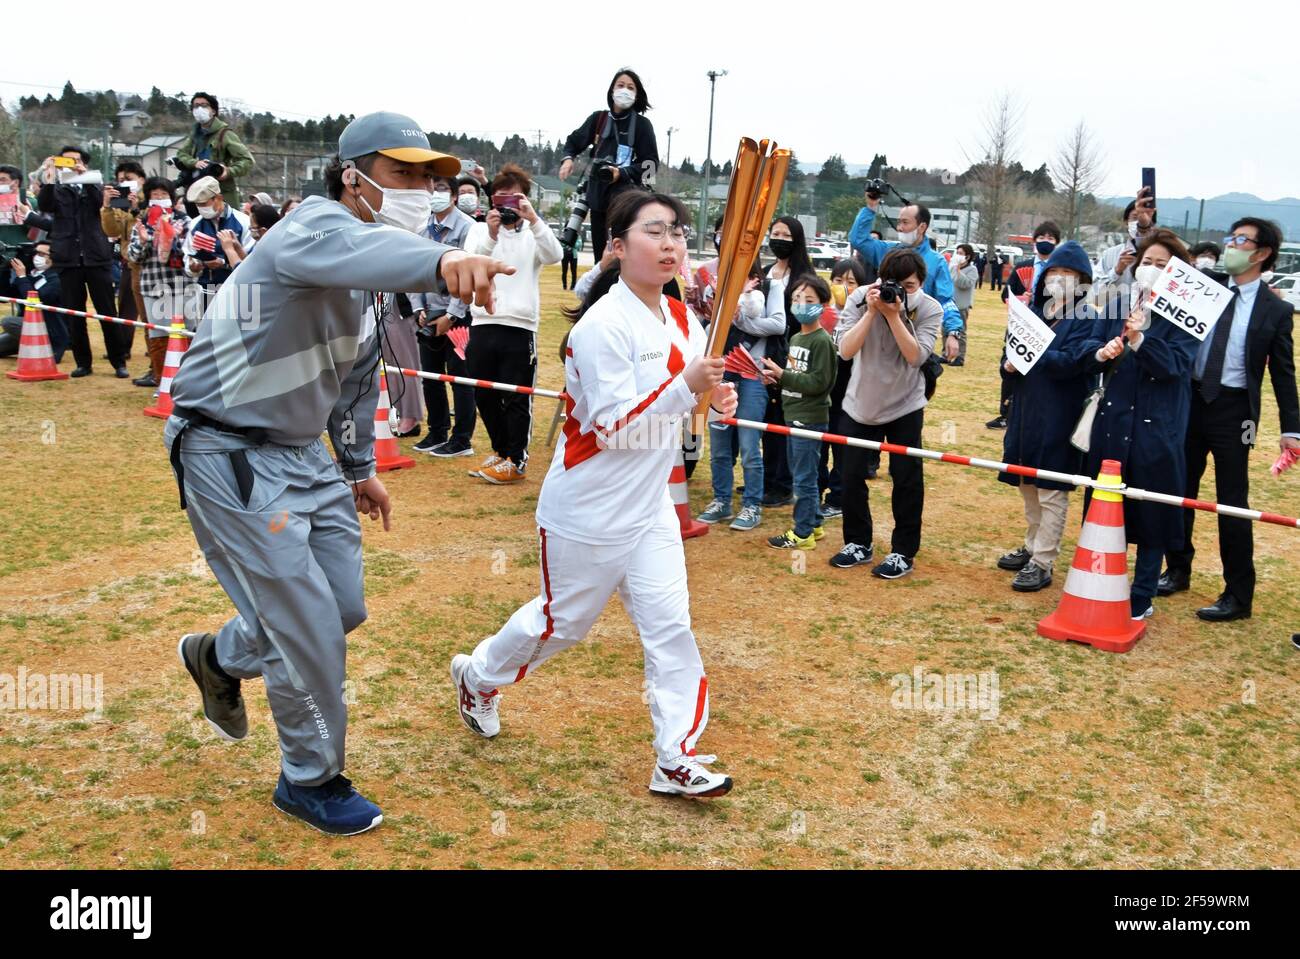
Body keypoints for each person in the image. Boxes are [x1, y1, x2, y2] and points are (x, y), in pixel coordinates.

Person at [168, 112, 512, 836]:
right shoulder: (310, 228)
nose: (422, 190)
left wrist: (359, 467)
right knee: (308, 623)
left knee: (343, 606)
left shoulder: (362, 282)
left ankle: (219, 657)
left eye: (429, 177)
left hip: (305, 457)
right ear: (352, 175)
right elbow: (360, 247)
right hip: (230, 450)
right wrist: (442, 264)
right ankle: (310, 777)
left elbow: (355, 382)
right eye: (404, 173)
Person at [450, 190, 740, 798]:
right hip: (589, 506)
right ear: (616, 246)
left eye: (678, 233)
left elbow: (687, 399)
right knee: (562, 625)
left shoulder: (682, 316)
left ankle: (675, 756)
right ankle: (479, 675)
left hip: (651, 505)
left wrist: (714, 396)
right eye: (655, 232)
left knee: (670, 627)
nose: (671, 244)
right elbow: (615, 429)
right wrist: (686, 388)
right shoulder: (602, 326)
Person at [1160, 218, 1299, 621]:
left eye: (1241, 240)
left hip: (1235, 410)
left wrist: (1292, 428)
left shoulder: (1276, 310)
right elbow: (1165, 267)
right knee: (1178, 488)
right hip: (1191, 398)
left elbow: (1284, 373)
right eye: (1230, 238)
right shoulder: (1206, 285)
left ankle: (1238, 594)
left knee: (1232, 501)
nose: (1231, 245)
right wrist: (1145, 226)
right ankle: (1177, 569)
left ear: (1261, 253)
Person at [1082, 229, 1200, 620]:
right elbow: (1091, 346)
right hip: (1115, 415)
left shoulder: (1187, 314)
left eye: (1162, 265)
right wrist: (1104, 350)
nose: (1151, 270)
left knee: (1153, 507)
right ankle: (1100, 576)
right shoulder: (1119, 301)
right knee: (1108, 501)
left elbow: (1176, 365)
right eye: (1146, 262)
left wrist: (1141, 340)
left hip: (1159, 418)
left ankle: (1143, 591)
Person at [830, 248, 943, 578]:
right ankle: (857, 542)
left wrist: (894, 315)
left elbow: (916, 356)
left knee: (907, 479)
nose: (899, 291)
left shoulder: (929, 308)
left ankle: (903, 551)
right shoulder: (863, 297)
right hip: (860, 401)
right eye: (893, 283)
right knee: (850, 475)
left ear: (921, 283)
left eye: (909, 286)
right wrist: (871, 312)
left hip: (906, 403)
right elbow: (845, 350)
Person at [995, 241, 1095, 592]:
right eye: (1054, 272)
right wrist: (1008, 366)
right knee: (1027, 483)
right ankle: (1031, 544)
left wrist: (1038, 356)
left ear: (1083, 279)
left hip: (1060, 413)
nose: (1059, 279)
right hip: (1025, 412)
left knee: (1051, 488)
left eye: (1068, 273)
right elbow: (1008, 355)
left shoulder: (1089, 318)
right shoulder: (1031, 312)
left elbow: (1077, 361)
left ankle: (1043, 560)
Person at [462, 164, 563, 484]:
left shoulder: (535, 231)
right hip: (482, 321)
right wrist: (491, 235)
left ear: (525, 200)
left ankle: (516, 459)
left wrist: (533, 219)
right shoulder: (479, 229)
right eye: (500, 199)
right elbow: (470, 263)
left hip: (520, 327)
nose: (506, 206)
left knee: (517, 396)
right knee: (484, 394)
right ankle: (500, 449)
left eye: (513, 199)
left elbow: (555, 255)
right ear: (491, 201)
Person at [695, 216, 785, 531]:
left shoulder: (769, 283)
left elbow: (777, 323)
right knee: (719, 445)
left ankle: (752, 505)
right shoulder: (713, 282)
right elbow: (707, 327)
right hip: (720, 373)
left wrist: (740, 320)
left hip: (752, 375)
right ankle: (721, 500)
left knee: (749, 444)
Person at [27, 146, 130, 378]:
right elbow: (44, 205)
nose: (71, 165)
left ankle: (119, 361)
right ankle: (83, 362)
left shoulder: (97, 185)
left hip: (97, 256)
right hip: (67, 257)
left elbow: (100, 207)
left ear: (84, 163)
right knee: (75, 312)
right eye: (66, 161)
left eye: (76, 161)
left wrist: (87, 179)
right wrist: (50, 179)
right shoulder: (58, 189)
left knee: (107, 311)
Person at [762, 274, 837, 551]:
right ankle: (814, 523)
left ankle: (802, 532)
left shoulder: (822, 341)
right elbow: (797, 375)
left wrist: (785, 374)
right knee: (802, 474)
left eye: (809, 300)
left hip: (810, 419)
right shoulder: (795, 337)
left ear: (823, 304)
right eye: (796, 299)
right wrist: (778, 378)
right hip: (792, 414)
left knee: (804, 478)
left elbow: (820, 383)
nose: (800, 304)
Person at [557, 68, 660, 260]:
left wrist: (622, 173)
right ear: (611, 90)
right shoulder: (599, 119)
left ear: (637, 96)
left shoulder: (642, 125)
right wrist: (568, 159)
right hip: (598, 201)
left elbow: (651, 167)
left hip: (627, 205)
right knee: (601, 260)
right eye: (620, 85)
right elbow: (573, 142)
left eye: (630, 87)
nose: (624, 90)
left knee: (624, 259)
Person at [849, 193, 963, 362]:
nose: (899, 227)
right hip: (881, 336)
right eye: (899, 222)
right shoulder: (887, 250)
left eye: (905, 222)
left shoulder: (936, 261)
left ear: (922, 227)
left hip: (914, 336)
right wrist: (871, 207)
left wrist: (952, 332)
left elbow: (945, 300)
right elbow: (858, 240)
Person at [412, 173, 477, 456]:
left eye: (440, 189)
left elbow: (469, 278)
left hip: (458, 317)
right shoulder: (422, 229)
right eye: (431, 189)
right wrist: (418, 309)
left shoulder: (468, 228)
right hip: (428, 313)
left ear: (453, 196)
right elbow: (413, 272)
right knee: (430, 376)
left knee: (460, 377)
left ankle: (462, 438)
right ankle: (436, 431)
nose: (434, 194)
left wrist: (451, 316)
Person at [759, 216, 817, 510]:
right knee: (768, 421)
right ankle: (768, 479)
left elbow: (804, 320)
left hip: (793, 356)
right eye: (774, 233)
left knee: (784, 419)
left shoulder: (805, 276)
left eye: (785, 234)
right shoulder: (767, 272)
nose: (778, 238)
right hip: (768, 356)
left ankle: (783, 484)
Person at [989, 222, 1062, 426]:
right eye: (1041, 237)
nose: (1045, 242)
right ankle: (1006, 411)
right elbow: (1006, 294)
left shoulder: (1058, 270)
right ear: (1034, 241)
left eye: (1050, 238)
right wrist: (1021, 299)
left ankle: (1032, 412)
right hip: (1019, 324)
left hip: (1047, 325)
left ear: (1057, 243)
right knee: (1011, 364)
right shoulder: (1022, 267)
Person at [127, 176, 193, 387]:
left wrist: (169, 235)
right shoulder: (142, 224)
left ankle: (188, 378)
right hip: (153, 285)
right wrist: (146, 241)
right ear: (148, 199)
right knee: (158, 335)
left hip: (182, 285)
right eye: (154, 195)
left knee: (188, 331)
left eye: (163, 195)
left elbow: (188, 252)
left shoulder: (184, 221)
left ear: (172, 199)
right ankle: (161, 379)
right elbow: (133, 256)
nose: (159, 199)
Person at [820, 258, 868, 516]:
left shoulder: (863, 316)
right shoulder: (820, 312)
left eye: (851, 282)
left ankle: (837, 497)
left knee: (842, 446)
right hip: (821, 392)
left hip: (848, 391)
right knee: (819, 444)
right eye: (838, 281)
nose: (843, 287)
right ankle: (816, 489)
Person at [172, 92, 255, 208]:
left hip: (221, 193)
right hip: (198, 192)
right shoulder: (195, 135)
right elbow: (181, 153)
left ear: (214, 111)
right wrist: (194, 163)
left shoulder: (225, 134)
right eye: (195, 106)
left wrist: (228, 171)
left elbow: (247, 160)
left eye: (204, 105)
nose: (199, 109)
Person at [99, 160, 148, 359]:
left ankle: (156, 348)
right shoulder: (120, 203)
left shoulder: (153, 197)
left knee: (152, 311)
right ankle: (123, 348)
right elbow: (112, 230)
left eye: (129, 179)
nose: (125, 183)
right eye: (121, 180)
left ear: (141, 180)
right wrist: (107, 207)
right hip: (131, 261)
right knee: (126, 307)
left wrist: (137, 209)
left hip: (154, 263)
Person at [182, 176, 252, 300]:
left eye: (204, 204)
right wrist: (194, 267)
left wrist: (225, 262)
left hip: (238, 290)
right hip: (206, 290)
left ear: (218, 198)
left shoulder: (243, 221)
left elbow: (251, 260)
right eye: (198, 205)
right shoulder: (195, 224)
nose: (201, 208)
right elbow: (188, 258)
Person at [1, 241, 65, 361]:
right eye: (35, 253)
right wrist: (4, 270)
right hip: (26, 326)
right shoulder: (31, 274)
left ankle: (41, 348)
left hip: (48, 328)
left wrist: (22, 277)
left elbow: (36, 301)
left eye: (42, 254)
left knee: (8, 321)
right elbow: (5, 296)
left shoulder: (57, 278)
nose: (37, 257)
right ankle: (27, 347)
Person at [1091, 192, 1157, 308]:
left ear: (1153, 224)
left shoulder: (1161, 256)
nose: (1139, 222)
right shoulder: (1110, 254)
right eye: (1135, 217)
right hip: (1113, 318)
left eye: (1145, 218)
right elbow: (1096, 297)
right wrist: (1116, 271)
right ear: (1126, 221)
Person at [948, 242, 978, 366]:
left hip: (962, 304)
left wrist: (958, 270)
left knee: (961, 330)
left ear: (968, 256)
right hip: (950, 302)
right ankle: (947, 354)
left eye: (961, 254)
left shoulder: (972, 269)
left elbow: (965, 284)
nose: (958, 256)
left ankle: (960, 357)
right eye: (957, 253)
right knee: (947, 328)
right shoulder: (952, 267)